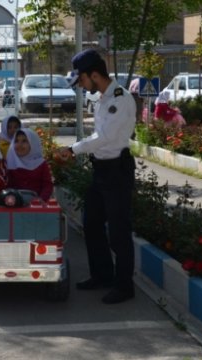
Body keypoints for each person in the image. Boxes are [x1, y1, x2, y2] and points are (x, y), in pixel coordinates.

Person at [55, 49, 137, 304]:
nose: (80, 84)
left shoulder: (119, 99)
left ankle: (124, 286)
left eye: (81, 79)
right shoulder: (102, 98)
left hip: (117, 171)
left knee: (119, 232)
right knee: (91, 224)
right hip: (101, 169)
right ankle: (102, 275)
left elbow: (106, 138)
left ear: (94, 74)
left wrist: (72, 149)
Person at [0, 128, 54, 202]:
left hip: (37, 206)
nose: (19, 145)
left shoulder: (41, 164)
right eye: (16, 141)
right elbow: (5, 185)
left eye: (24, 141)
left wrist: (41, 199)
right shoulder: (9, 163)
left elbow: (47, 185)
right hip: (14, 205)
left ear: (33, 143)